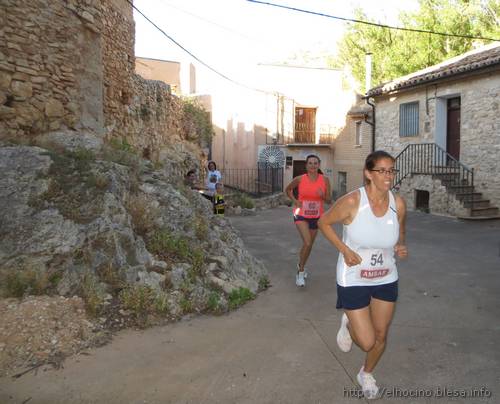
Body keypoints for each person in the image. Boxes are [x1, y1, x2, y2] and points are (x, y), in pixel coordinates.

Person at [317, 150, 408, 400]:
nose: (388, 175)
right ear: (368, 173)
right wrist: (344, 250)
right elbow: (324, 222)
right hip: (353, 277)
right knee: (367, 341)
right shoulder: (352, 202)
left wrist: (400, 245)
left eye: (392, 170)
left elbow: (400, 232)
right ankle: (348, 322)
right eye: (382, 170)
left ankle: (366, 373)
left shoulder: (397, 203)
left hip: (386, 277)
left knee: (381, 337)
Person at [285, 154, 331, 287]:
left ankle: (301, 264)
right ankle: (300, 272)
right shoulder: (299, 179)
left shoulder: (325, 180)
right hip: (301, 214)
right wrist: (295, 200)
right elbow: (288, 190)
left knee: (308, 245)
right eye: (310, 163)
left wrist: (323, 196)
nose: (313, 165)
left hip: (316, 216)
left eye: (315, 163)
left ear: (319, 165)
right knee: (307, 241)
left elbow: (329, 200)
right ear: (306, 165)